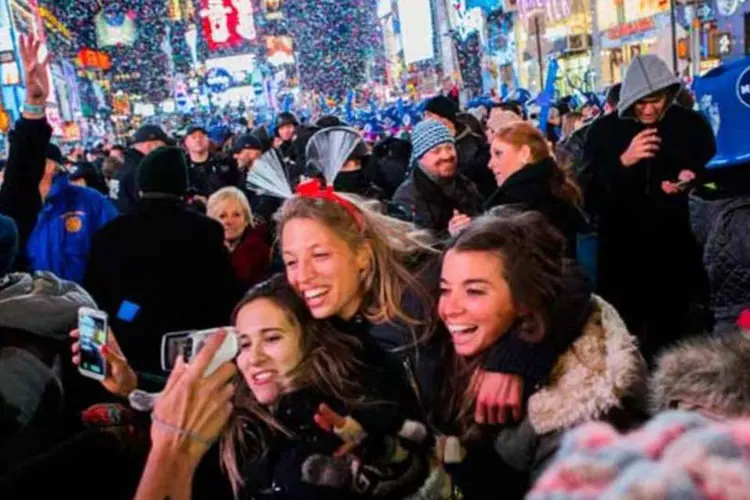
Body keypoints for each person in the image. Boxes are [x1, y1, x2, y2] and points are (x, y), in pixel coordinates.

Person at [123, 276, 427, 499]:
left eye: (271, 339)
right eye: (243, 343)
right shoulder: (236, 421)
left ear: (310, 341)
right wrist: (131, 386)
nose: (253, 358)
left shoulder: (353, 423)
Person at [435, 212, 647, 497]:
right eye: (444, 290)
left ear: (525, 301)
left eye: (474, 291)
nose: (450, 308)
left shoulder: (581, 418)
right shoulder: (481, 342)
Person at [582, 55, 717, 359]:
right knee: (624, 350)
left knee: (678, 347)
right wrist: (623, 162)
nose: (648, 109)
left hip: (677, 256)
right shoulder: (603, 132)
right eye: (640, 103)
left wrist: (692, 179)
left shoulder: (692, 125)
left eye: (655, 101)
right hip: (621, 259)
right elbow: (587, 196)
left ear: (669, 94)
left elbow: (715, 176)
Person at [83, 146, 238, 380]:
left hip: (129, 342)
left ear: (141, 184)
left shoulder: (112, 233)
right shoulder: (206, 230)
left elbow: (95, 297)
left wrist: (126, 315)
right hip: (193, 350)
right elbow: (223, 294)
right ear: (182, 185)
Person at [483, 122, 589, 256]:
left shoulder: (515, 204)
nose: (490, 164)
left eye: (498, 154)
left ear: (524, 154)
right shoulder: (556, 189)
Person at [393, 120, 483, 236]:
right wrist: (450, 237)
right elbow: (411, 246)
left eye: (449, 148)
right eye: (436, 151)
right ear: (420, 158)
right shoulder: (407, 198)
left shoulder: (466, 184)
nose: (446, 155)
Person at [424, 95, 495, 199]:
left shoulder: (471, 145)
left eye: (429, 115)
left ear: (444, 119)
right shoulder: (430, 143)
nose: (425, 120)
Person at [207, 187, 271, 292]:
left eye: (236, 215)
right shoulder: (209, 251)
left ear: (246, 219)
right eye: (222, 216)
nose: (229, 221)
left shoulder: (257, 250)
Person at [112, 125, 172, 213]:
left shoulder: (125, 165)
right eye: (162, 146)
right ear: (149, 146)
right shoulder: (142, 171)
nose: (165, 151)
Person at [184, 124, 241, 202]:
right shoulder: (180, 166)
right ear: (186, 142)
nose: (198, 140)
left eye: (201, 136)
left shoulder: (223, 162)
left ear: (208, 140)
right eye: (193, 137)